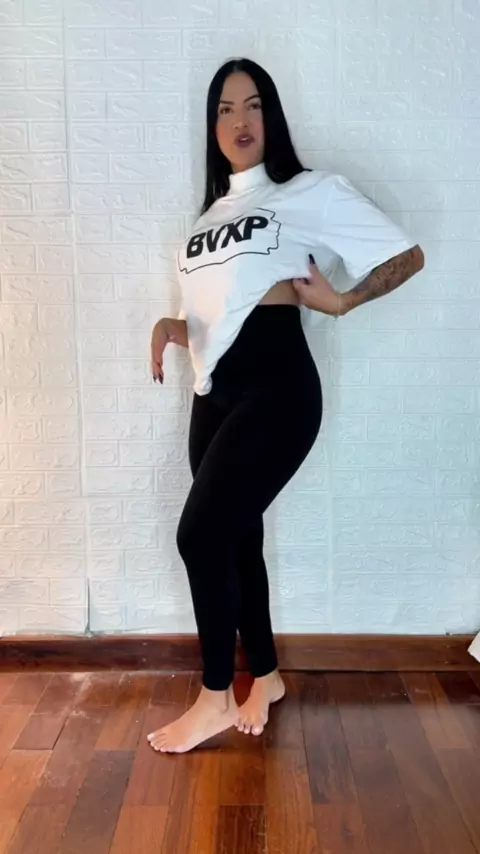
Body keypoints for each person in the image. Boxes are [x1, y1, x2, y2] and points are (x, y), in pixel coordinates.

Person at [147, 58, 424, 754]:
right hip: (214, 393)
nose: (239, 121)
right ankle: (265, 677)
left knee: (199, 536)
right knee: (235, 538)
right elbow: (213, 313)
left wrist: (342, 301)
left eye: (253, 105)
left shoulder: (308, 192)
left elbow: (406, 255)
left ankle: (216, 695)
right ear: (211, 127)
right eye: (224, 110)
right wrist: (172, 327)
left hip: (278, 386)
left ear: (271, 116)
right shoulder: (205, 221)